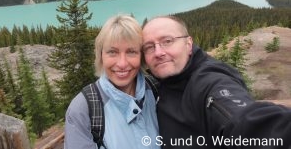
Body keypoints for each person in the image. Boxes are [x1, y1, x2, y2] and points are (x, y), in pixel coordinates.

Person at [142, 15, 291, 149]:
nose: (158, 52)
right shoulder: (155, 84)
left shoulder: (207, 81)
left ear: (188, 44)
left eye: (167, 41)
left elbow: (242, 120)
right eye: (149, 47)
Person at [64, 14, 160, 149]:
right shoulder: (82, 110)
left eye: (131, 52)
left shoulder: (156, 91)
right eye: (112, 52)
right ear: (101, 55)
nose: (122, 63)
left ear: (141, 56)